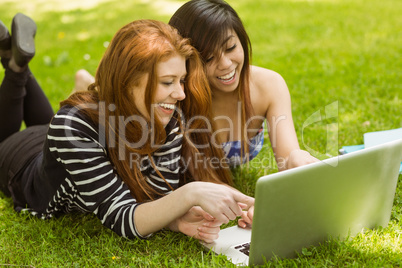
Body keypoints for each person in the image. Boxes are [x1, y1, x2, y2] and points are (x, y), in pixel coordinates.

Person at [0, 14, 254, 242]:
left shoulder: (167, 117)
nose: (180, 94)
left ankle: (16, 62)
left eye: (182, 80)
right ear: (128, 81)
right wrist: (190, 194)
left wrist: (176, 220)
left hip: (59, 142)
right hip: (19, 161)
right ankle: (16, 66)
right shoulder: (72, 127)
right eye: (167, 82)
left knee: (47, 124)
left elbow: (155, 196)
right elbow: (122, 217)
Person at [74, 0, 318, 170]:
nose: (225, 64)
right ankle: (87, 82)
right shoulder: (175, 95)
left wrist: (297, 157)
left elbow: (288, 156)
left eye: (231, 47)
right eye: (208, 58)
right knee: (106, 97)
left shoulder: (269, 85)